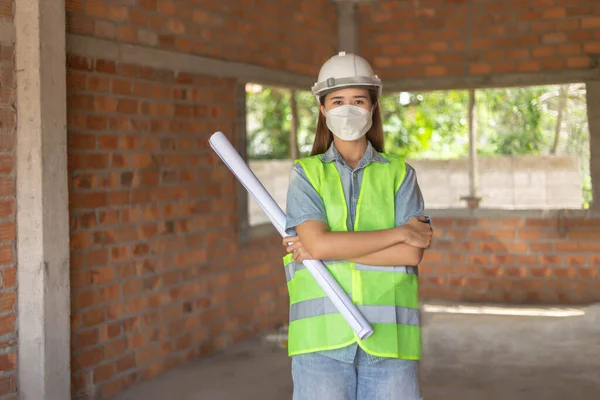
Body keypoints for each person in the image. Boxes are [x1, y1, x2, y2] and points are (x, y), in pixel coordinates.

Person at [281, 52, 433, 400]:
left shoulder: (400, 174)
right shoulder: (307, 174)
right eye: (337, 100)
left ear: (373, 106)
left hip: (389, 343)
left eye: (358, 100)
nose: (348, 109)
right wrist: (397, 233)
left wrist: (327, 250)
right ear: (322, 108)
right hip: (321, 343)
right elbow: (318, 246)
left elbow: (411, 254)